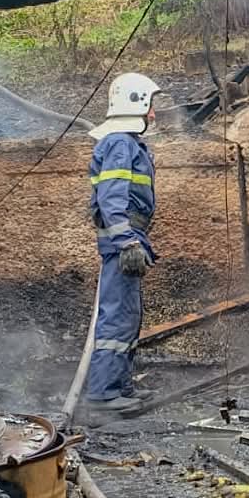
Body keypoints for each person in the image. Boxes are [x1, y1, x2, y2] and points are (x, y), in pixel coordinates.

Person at [85, 72, 160, 413]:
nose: (154, 115)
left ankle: (120, 386)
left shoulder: (127, 142)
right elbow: (111, 198)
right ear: (136, 105)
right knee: (116, 317)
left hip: (130, 237)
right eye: (151, 107)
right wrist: (127, 241)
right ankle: (102, 394)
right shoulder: (119, 143)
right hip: (123, 241)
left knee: (128, 316)